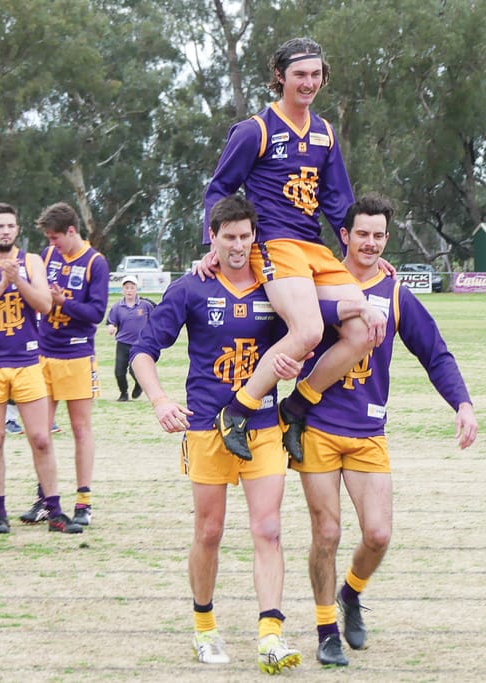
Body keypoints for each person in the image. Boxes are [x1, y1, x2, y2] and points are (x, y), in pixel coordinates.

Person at [288, 193, 478, 666]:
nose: (370, 243)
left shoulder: (395, 293)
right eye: (362, 234)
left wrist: (463, 402)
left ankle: (351, 593)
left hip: (368, 431)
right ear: (344, 236)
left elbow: (434, 352)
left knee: (377, 535)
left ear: (386, 240)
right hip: (316, 427)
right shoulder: (317, 283)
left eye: (378, 235)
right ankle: (326, 627)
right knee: (326, 532)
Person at [130, 195, 302, 674]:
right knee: (209, 532)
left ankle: (271, 633)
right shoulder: (191, 289)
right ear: (213, 236)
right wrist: (161, 401)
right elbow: (143, 352)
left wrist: (296, 360)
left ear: (254, 236)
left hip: (263, 426)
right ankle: (204, 628)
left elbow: (306, 334)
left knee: (267, 529)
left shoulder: (276, 286)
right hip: (207, 427)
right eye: (228, 237)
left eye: (246, 236)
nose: (238, 246)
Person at [200, 37, 387, 463]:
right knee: (307, 332)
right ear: (280, 77)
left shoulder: (324, 133)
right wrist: (213, 243)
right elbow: (219, 189)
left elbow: (339, 202)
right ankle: (237, 410)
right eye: (300, 74)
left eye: (316, 74)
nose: (309, 83)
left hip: (313, 248)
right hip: (273, 245)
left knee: (366, 329)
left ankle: (297, 405)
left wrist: (364, 250)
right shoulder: (255, 130)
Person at [0, 202, 81, 535]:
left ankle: (54, 510)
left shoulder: (31, 262)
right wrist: (2, 283)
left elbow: (44, 304)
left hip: (28, 362)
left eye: (11, 226)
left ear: (17, 230)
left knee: (41, 438)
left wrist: (18, 280)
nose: (5, 231)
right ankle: (0, 511)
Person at [19, 202, 109, 528]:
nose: (52, 243)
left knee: (80, 429)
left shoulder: (95, 263)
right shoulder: (47, 256)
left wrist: (64, 302)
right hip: (43, 353)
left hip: (77, 355)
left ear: (72, 231)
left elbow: (96, 313)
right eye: (49, 238)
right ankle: (45, 497)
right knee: (40, 433)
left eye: (56, 238)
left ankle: (84, 501)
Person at [107, 274, 154, 401]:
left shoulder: (145, 305)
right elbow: (111, 321)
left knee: (136, 370)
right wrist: (111, 327)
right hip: (123, 343)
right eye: (127, 288)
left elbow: (155, 317)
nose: (129, 290)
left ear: (136, 289)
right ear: (123, 290)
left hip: (140, 344)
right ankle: (123, 393)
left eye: (132, 287)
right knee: (119, 371)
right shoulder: (117, 307)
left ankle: (139, 385)